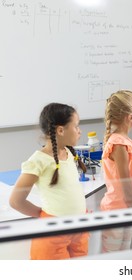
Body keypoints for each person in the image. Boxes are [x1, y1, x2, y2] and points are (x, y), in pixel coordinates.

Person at [9, 103, 89, 260]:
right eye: (76, 126)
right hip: (54, 234)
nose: (79, 131)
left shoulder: (68, 153)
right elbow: (16, 201)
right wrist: (42, 214)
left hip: (79, 229)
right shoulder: (38, 161)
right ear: (60, 130)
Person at [100, 90, 132, 253]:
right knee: (113, 256)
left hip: (127, 208)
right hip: (117, 210)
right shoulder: (118, 144)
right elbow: (124, 181)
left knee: (123, 252)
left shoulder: (125, 142)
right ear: (130, 116)